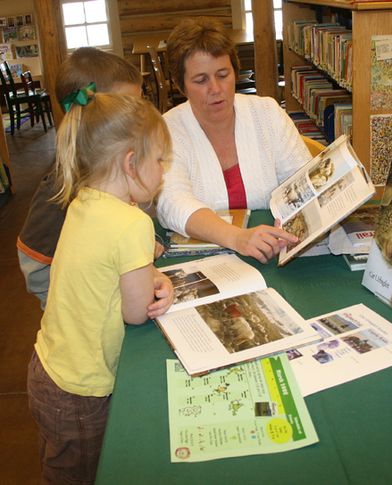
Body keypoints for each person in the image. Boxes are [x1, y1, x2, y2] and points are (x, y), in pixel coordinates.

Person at [27, 89, 174, 484]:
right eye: (159, 160)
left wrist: (150, 274)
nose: (163, 170)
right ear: (131, 163)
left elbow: (106, 272)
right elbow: (137, 310)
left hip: (48, 369)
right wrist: (164, 286)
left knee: (58, 467)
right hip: (81, 392)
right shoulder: (132, 224)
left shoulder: (83, 201)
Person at [16, 47, 165, 309]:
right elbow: (35, 264)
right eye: (128, 107)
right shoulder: (60, 186)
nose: (138, 117)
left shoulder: (115, 171)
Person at [157, 17, 311, 263]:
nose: (216, 88)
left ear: (235, 72)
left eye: (223, 74)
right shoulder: (167, 129)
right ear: (181, 85)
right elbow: (172, 203)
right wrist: (238, 238)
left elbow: (303, 182)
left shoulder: (267, 113)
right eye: (201, 80)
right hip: (210, 262)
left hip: (272, 251)